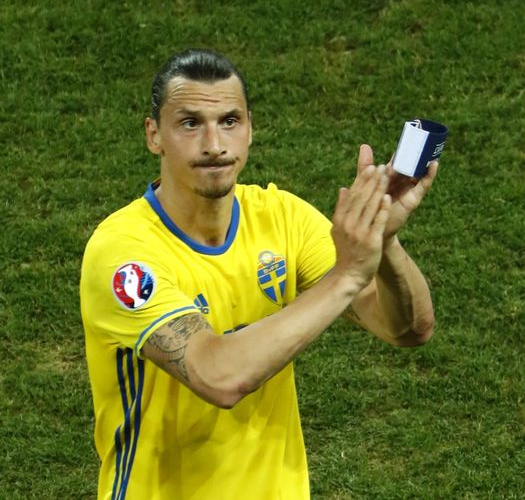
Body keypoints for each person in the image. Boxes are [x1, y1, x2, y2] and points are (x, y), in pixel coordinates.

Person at [80, 48, 438, 499]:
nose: (214, 144)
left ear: (250, 129)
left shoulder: (282, 217)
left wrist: (382, 242)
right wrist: (346, 275)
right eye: (190, 123)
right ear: (154, 135)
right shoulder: (124, 255)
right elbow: (218, 376)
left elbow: (408, 328)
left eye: (229, 121)